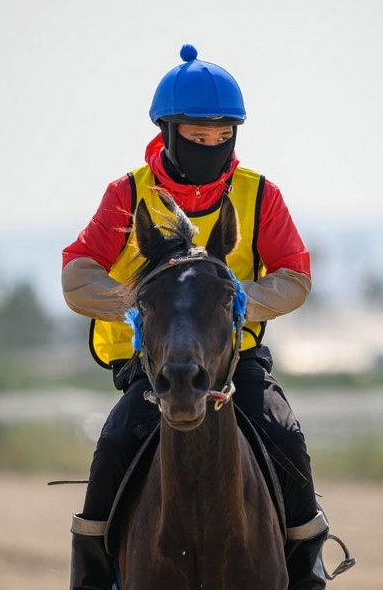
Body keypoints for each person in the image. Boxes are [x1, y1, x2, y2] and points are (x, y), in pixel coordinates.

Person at [62, 44, 329, 590]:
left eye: (222, 137)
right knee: (114, 442)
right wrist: (141, 302)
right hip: (153, 367)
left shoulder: (260, 194)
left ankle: (307, 574)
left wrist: (234, 301)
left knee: (285, 436)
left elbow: (295, 276)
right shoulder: (127, 194)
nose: (212, 147)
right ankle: (90, 579)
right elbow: (76, 274)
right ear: (167, 132)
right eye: (197, 137)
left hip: (235, 364)